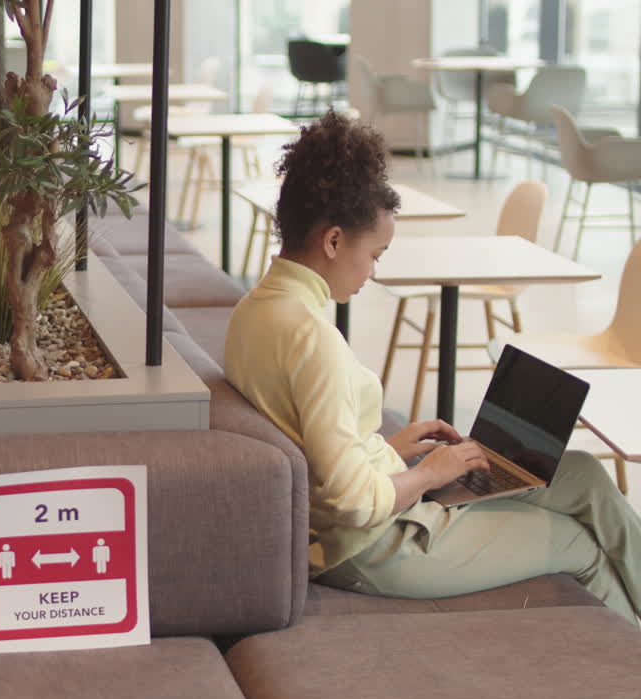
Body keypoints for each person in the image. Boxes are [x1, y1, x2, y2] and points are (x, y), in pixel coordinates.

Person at [223, 110, 641, 623]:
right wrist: (430, 476)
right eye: (375, 254)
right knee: (577, 541)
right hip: (375, 547)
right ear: (333, 241)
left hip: (372, 517)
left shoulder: (254, 310)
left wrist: (387, 447)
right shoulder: (313, 340)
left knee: (582, 475)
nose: (373, 272)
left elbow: (310, 437)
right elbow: (354, 504)